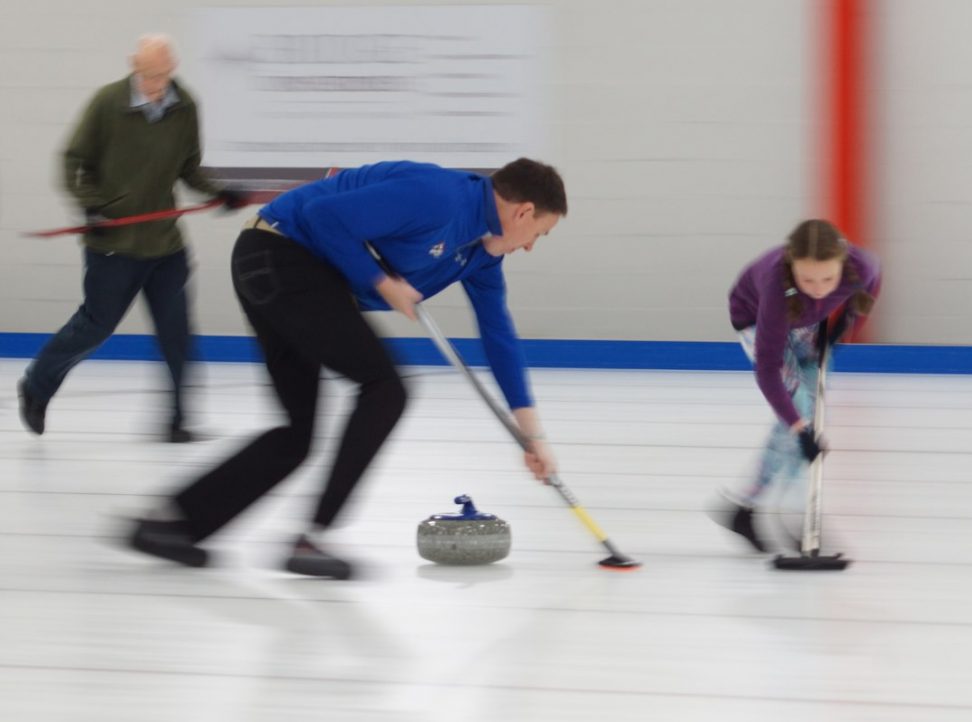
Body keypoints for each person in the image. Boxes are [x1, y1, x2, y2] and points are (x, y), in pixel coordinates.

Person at [126, 157, 567, 579]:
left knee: (298, 434)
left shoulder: (482, 253)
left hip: (299, 276)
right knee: (385, 388)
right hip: (279, 254)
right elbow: (323, 215)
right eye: (539, 234)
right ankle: (311, 539)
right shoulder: (440, 197)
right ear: (524, 211)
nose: (529, 246)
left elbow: (499, 336)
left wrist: (531, 434)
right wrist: (382, 284)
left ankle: (169, 523)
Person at [16, 34, 247, 443]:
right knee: (95, 326)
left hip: (165, 246)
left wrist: (219, 192)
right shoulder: (108, 103)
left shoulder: (184, 105)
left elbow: (189, 167)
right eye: (150, 75)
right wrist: (92, 207)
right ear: (134, 66)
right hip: (114, 245)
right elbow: (73, 161)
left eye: (164, 75)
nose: (158, 85)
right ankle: (37, 384)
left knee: (176, 333)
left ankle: (177, 421)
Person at [711, 219, 881, 552]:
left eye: (828, 279)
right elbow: (768, 370)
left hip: (806, 322)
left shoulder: (861, 266)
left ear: (843, 263)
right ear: (792, 267)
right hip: (758, 322)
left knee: (809, 416)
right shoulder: (776, 287)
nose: (819, 288)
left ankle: (745, 507)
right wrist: (798, 428)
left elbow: (873, 284)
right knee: (800, 417)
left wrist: (848, 325)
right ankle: (795, 515)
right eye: (807, 279)